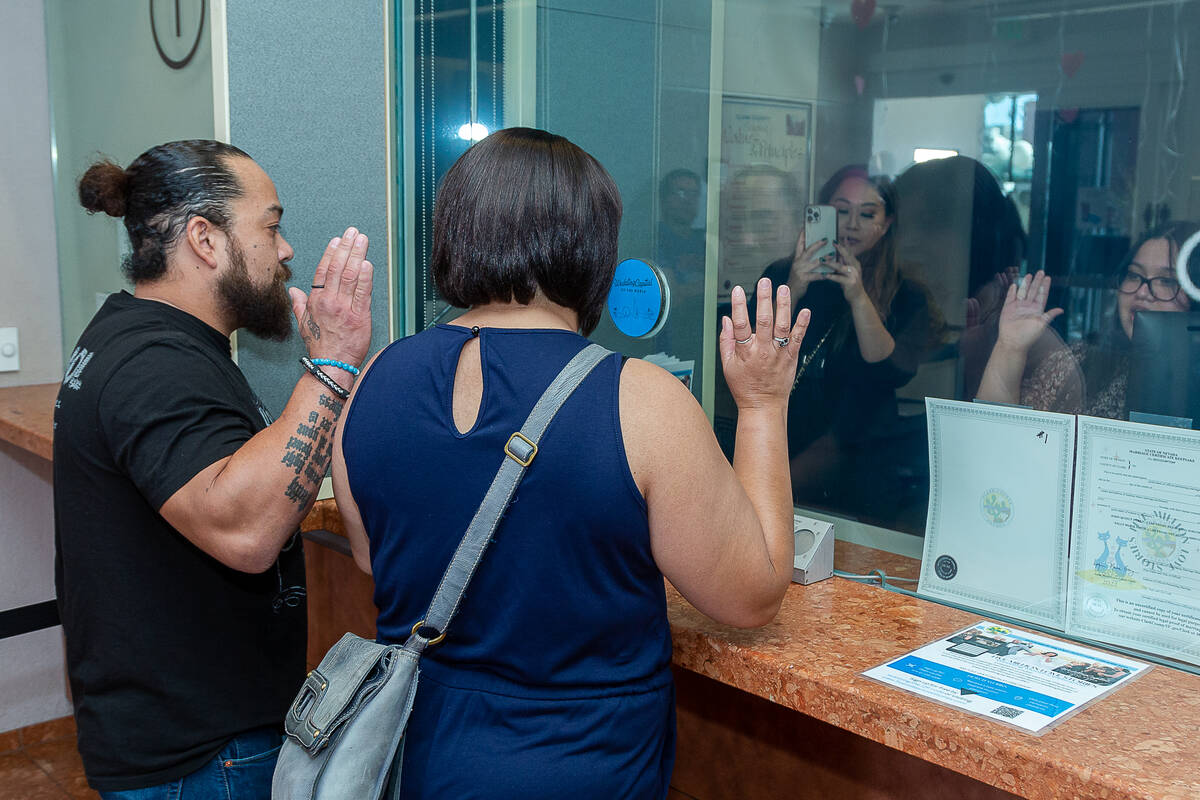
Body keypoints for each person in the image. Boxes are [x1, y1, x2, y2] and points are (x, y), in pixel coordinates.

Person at [330, 127, 808, 798]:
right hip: (584, 768)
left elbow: (374, 557)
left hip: (419, 762)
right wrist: (760, 405)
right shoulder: (642, 401)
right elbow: (751, 594)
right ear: (593, 251)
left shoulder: (374, 379)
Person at [53, 140, 373, 798]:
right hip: (200, 756)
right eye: (271, 225)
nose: (285, 250)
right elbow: (247, 532)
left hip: (181, 733)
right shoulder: (154, 364)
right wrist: (335, 364)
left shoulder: (137, 336)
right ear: (204, 238)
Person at [757, 165, 939, 525]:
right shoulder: (781, 274)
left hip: (861, 459)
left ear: (886, 224)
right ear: (820, 214)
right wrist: (795, 282)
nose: (852, 223)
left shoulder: (907, 294)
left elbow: (890, 368)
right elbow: (757, 348)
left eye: (867, 214)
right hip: (787, 435)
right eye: (841, 211)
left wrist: (857, 295)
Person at [976, 221, 1198, 417]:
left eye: (1167, 281)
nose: (1142, 291)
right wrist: (1010, 347)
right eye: (1133, 275)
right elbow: (993, 433)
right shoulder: (1078, 362)